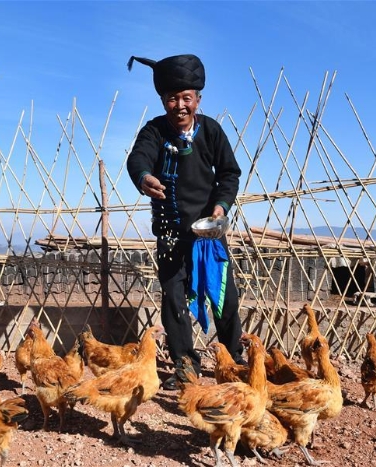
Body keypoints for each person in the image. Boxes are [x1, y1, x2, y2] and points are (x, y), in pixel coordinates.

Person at [126, 54, 244, 390]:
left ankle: (232, 362)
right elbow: (138, 159)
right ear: (163, 101)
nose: (180, 105)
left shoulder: (211, 131)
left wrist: (221, 207)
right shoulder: (155, 131)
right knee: (174, 300)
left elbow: (229, 173)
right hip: (171, 233)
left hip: (209, 232)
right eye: (172, 99)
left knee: (224, 299)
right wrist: (145, 177)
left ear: (197, 100)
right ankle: (185, 367)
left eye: (186, 98)